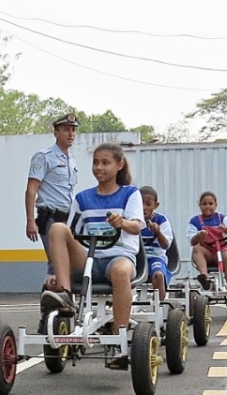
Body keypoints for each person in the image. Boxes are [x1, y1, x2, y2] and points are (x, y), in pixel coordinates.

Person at [40, 142, 144, 368]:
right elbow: (68, 237)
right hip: (88, 259)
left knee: (119, 271)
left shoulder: (130, 194)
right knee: (57, 228)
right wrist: (55, 273)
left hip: (119, 258)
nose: (99, 167)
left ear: (119, 165)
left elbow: (136, 227)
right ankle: (65, 294)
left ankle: (119, 340)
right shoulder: (83, 198)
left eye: (105, 163)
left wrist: (122, 222)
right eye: (96, 162)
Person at [25, 113, 79, 289]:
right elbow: (31, 189)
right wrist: (30, 220)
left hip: (67, 218)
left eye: (73, 130)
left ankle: (58, 302)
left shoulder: (71, 161)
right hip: (50, 217)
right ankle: (48, 307)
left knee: (66, 263)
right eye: (66, 130)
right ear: (56, 133)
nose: (70, 134)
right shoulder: (44, 156)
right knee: (56, 263)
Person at [187, 190, 227, 309]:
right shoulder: (195, 221)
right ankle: (204, 278)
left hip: (221, 248)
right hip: (207, 251)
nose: (207, 206)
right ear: (200, 205)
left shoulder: (222, 218)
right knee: (196, 249)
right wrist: (199, 236)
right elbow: (192, 240)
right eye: (204, 204)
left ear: (215, 205)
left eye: (210, 204)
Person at [139, 186, 174, 302]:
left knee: (158, 275)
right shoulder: (131, 220)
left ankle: (160, 307)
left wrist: (158, 232)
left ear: (155, 205)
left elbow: (165, 245)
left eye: (148, 204)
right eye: (140, 203)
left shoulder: (161, 220)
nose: (144, 208)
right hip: (136, 258)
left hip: (155, 257)